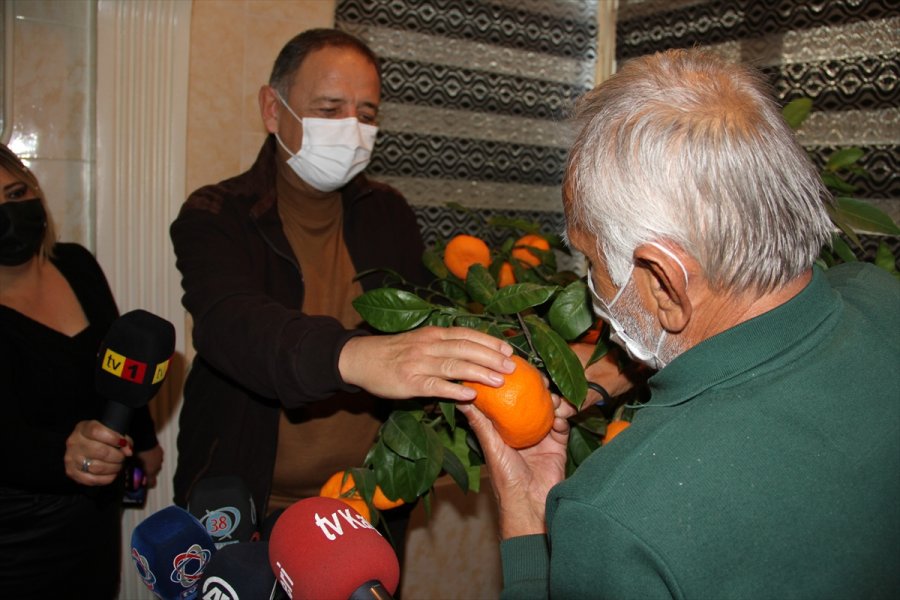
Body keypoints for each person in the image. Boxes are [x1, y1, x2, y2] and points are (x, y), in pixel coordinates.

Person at [460, 48, 900, 598]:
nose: (591, 284)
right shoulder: (879, 295)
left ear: (664, 283)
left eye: (592, 262)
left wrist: (528, 522)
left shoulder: (618, 516)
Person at [170, 27, 514, 543]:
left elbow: (422, 317)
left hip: (365, 504)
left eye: (367, 114)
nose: (351, 129)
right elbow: (230, 325)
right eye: (330, 110)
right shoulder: (217, 214)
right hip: (247, 507)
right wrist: (359, 358)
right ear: (272, 108)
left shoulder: (388, 213)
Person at [0, 143, 163, 598]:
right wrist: (66, 455)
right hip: (16, 530)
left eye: (15, 195)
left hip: (95, 513)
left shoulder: (76, 264)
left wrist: (145, 439)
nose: (9, 214)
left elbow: (123, 362)